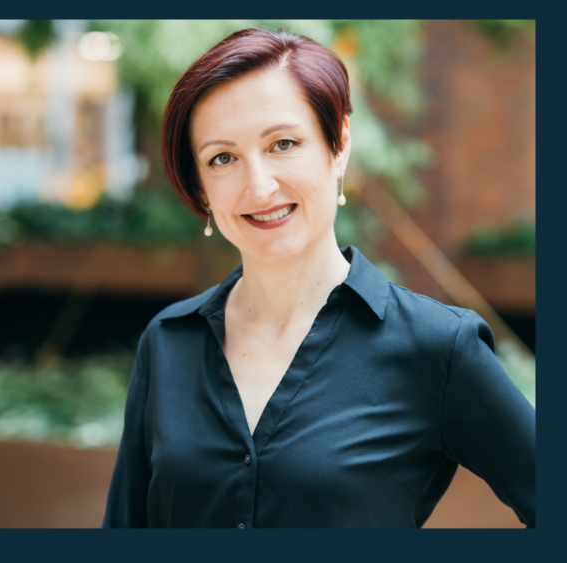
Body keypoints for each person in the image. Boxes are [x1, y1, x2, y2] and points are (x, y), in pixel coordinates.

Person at [102, 28, 535, 528]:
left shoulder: (436, 346)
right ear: (201, 188)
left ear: (339, 146)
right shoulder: (167, 342)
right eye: (222, 158)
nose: (259, 186)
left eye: (283, 143)